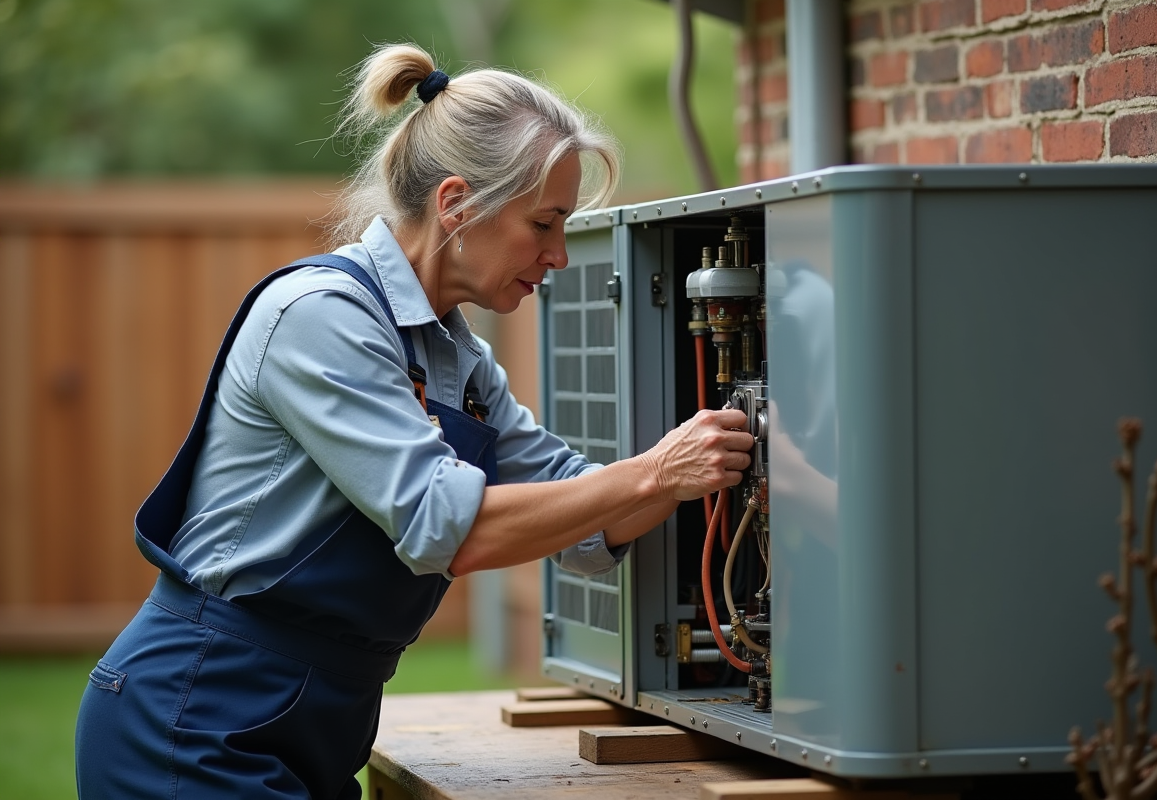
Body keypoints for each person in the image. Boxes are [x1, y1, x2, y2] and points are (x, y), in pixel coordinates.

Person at [75, 43, 753, 799]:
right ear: (457, 202)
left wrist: (719, 456)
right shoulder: (320, 318)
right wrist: (658, 470)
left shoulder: (457, 355)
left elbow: (585, 523)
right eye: (544, 223)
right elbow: (445, 526)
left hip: (321, 717)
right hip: (196, 714)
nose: (560, 254)